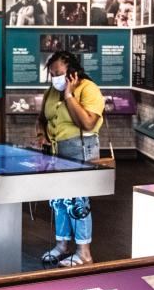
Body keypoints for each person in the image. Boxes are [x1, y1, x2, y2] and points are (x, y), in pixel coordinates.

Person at [36, 51, 104, 267]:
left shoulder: (88, 89)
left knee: (78, 201)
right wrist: (41, 135)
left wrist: (69, 95)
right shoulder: (51, 92)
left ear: (72, 73)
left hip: (80, 151)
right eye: (52, 74)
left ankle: (84, 252)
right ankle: (62, 245)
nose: (55, 78)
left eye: (59, 74)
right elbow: (42, 118)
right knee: (58, 201)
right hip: (57, 152)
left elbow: (88, 123)